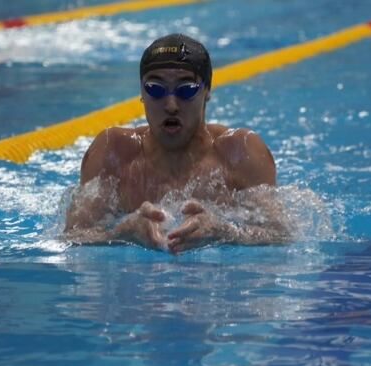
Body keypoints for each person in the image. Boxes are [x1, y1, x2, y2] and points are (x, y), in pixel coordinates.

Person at [64, 33, 290, 253]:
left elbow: (281, 235)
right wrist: (122, 233)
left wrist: (225, 231)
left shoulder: (240, 153)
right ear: (142, 91)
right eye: (156, 89)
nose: (171, 105)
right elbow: (73, 236)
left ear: (207, 91)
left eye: (186, 89)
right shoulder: (113, 153)